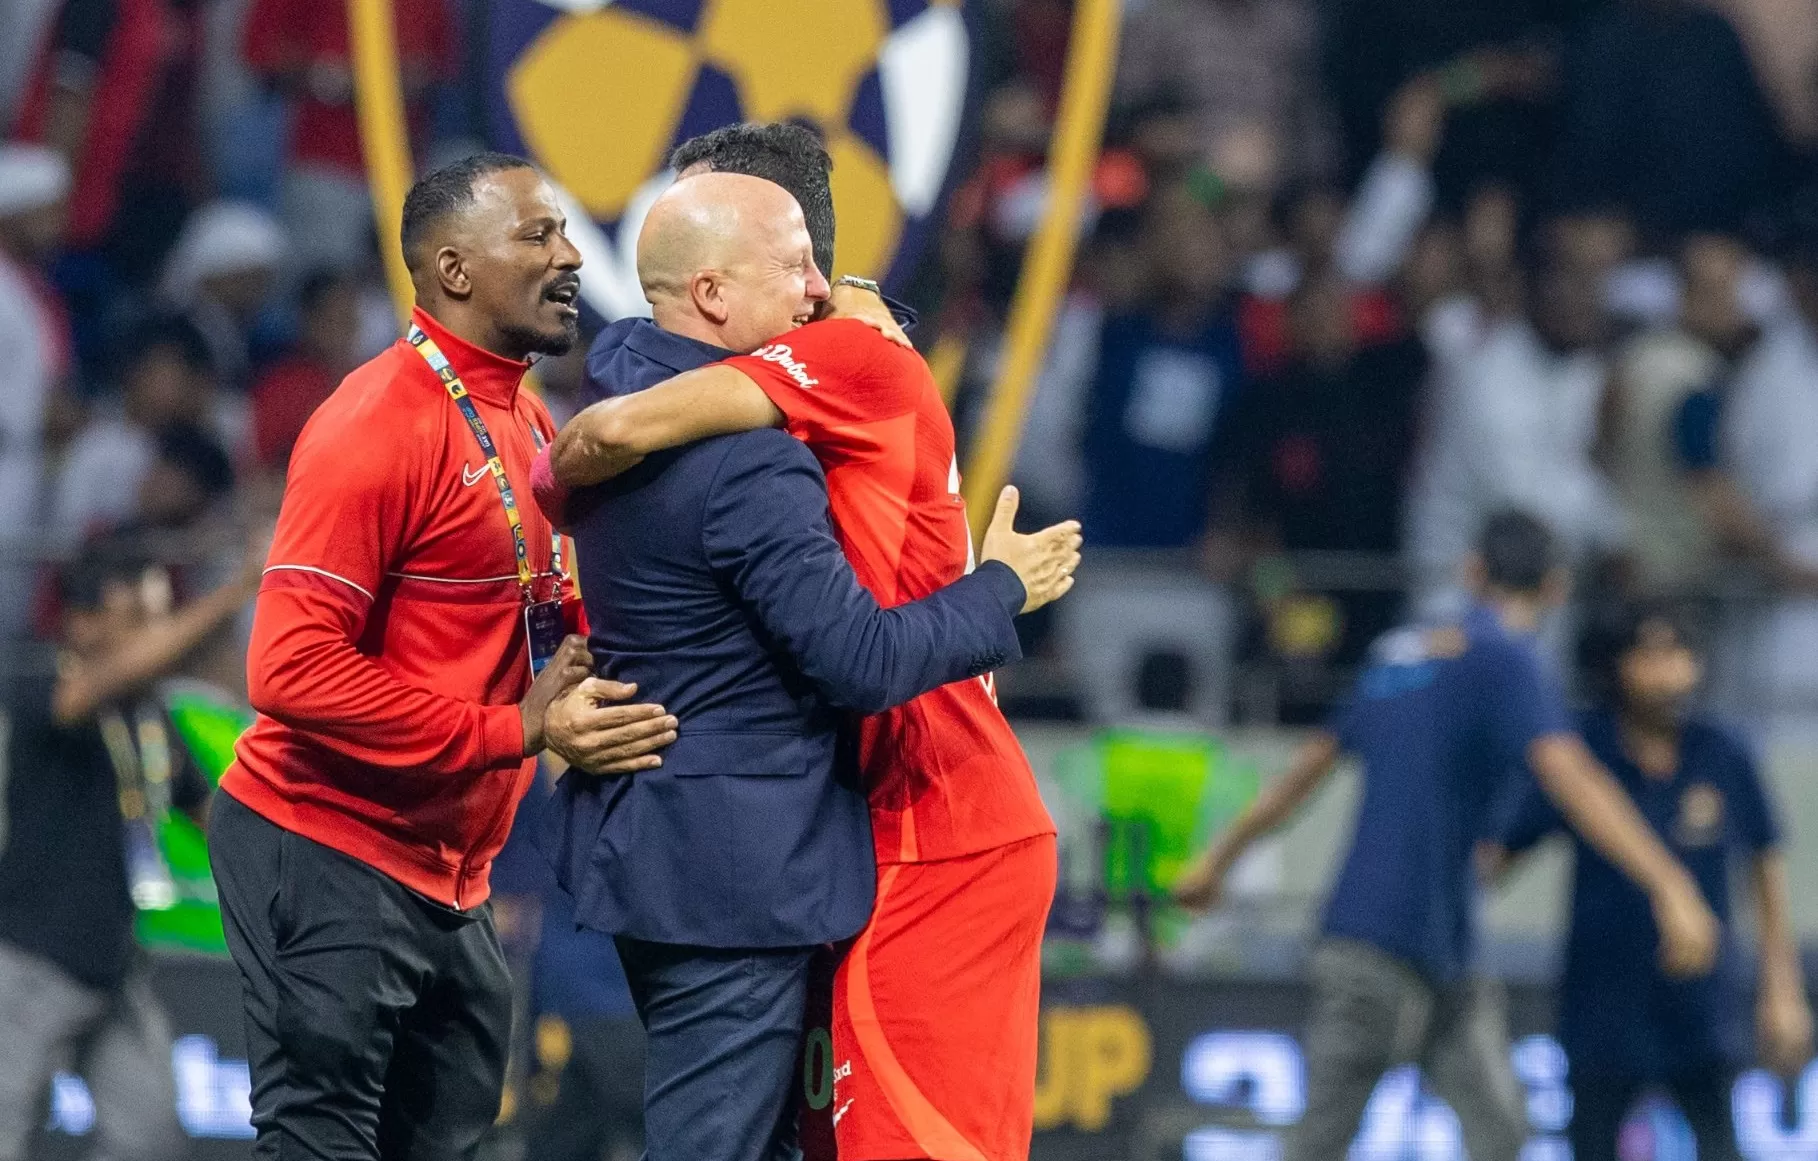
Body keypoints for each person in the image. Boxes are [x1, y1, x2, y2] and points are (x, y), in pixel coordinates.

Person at [543, 123, 1071, 1161]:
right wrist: (1001, 591)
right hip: (856, 825)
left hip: (930, 817)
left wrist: (556, 466)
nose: (816, 289)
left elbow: (605, 432)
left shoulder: (808, 362)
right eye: (795, 270)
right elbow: (613, 420)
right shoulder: (773, 408)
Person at [206, 152, 678, 1161]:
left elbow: (546, 619)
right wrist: (512, 730)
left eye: (565, 233)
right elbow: (287, 668)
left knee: (451, 1137)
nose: (569, 256)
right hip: (326, 841)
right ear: (455, 270)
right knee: (322, 1140)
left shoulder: (525, 416)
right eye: (538, 235)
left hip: (450, 872)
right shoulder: (375, 421)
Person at [1172, 510, 1722, 1161]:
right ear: (1555, 588)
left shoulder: (1398, 653)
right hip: (1387, 946)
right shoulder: (1507, 661)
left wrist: (1216, 862)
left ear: (1472, 571)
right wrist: (1670, 883)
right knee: (1339, 1142)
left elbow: (1300, 776)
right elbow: (1572, 777)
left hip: (1428, 946)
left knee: (1493, 1132)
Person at [1483, 602, 1811, 1160]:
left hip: (1699, 1007)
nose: (1668, 673)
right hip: (1601, 1007)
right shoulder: (1581, 755)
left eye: (1679, 653)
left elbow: (1765, 865)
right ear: (1615, 664)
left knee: (1719, 1145)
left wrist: (1782, 989)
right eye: (1649, 655)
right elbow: (1497, 854)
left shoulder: (1721, 752)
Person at [0, 536, 263, 1161]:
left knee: (149, 1136)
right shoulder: (37, 679)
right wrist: (233, 592)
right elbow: (82, 694)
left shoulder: (146, 714)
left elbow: (213, 818)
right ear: (82, 621)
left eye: (163, 618)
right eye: (141, 618)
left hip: (115, 965)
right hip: (29, 964)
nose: (159, 636)